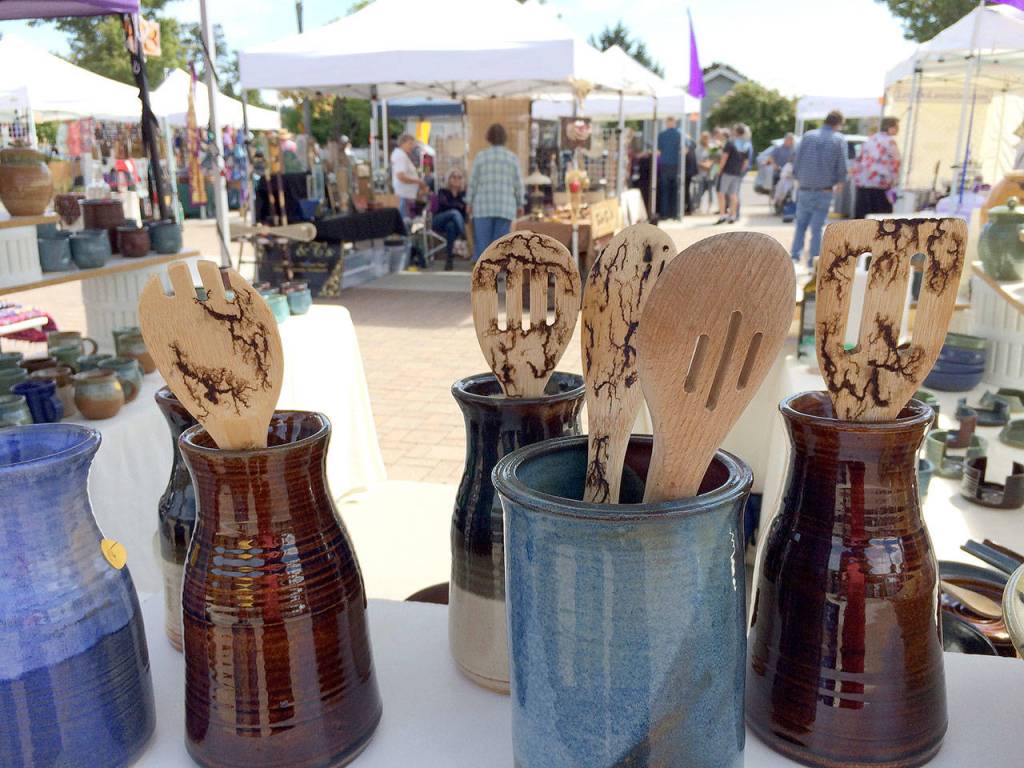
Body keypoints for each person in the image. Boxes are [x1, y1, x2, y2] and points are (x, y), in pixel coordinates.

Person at [791, 110, 848, 266]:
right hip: (825, 189)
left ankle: (794, 257)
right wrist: (840, 182)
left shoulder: (808, 135)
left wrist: (798, 177)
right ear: (838, 124)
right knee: (817, 229)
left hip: (805, 187)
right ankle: (812, 262)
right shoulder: (838, 139)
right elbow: (842, 165)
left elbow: (797, 160)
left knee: (800, 225)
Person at [467, 123, 524, 259]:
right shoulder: (512, 158)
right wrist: (520, 204)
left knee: (482, 245)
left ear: (488, 138)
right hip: (505, 207)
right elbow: (518, 184)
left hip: (482, 207)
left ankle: (481, 277)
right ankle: (498, 276)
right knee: (501, 246)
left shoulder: (481, 157)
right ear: (505, 138)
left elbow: (473, 182)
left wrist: (469, 203)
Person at [853, 118, 901, 218]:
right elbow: (896, 163)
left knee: (862, 219)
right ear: (890, 128)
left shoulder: (871, 139)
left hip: (864, 183)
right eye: (897, 126)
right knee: (881, 220)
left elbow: (858, 159)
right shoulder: (890, 142)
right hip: (881, 184)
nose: (898, 129)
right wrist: (894, 181)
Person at [433, 169, 467, 271]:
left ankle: (449, 260)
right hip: (439, 220)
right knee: (454, 213)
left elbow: (465, 211)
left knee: (450, 226)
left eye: (459, 177)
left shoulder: (464, 194)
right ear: (449, 179)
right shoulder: (442, 191)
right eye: (454, 177)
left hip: (453, 225)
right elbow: (444, 204)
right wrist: (459, 206)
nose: (456, 179)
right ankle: (464, 236)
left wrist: (460, 207)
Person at [716, 124, 751, 224]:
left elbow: (724, 157)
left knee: (721, 193)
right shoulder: (746, 145)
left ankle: (722, 215)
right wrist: (740, 171)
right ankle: (733, 215)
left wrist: (719, 170)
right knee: (733, 195)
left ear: (736, 131)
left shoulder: (731, 143)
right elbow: (746, 162)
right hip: (737, 173)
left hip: (727, 171)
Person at [391, 133, 427, 220]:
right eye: (410, 143)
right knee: (405, 221)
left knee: (408, 219)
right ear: (402, 143)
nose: (412, 146)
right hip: (404, 195)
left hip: (408, 195)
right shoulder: (400, 156)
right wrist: (418, 182)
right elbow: (401, 176)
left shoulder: (403, 156)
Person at [656, 117, 682, 219]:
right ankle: (674, 213)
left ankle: (665, 213)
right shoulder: (679, 135)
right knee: (675, 190)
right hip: (675, 165)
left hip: (665, 164)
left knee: (665, 190)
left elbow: (658, 150)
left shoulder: (661, 135)